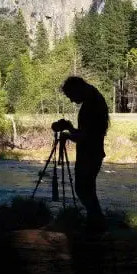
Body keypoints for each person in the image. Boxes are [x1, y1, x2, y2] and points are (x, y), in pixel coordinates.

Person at [53, 76, 109, 232]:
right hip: (92, 153)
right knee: (86, 190)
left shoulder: (91, 105)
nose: (71, 100)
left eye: (71, 96)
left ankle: (97, 224)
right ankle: (95, 223)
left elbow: (85, 137)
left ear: (77, 89)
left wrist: (68, 135)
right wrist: (70, 128)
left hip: (90, 154)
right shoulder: (93, 99)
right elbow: (87, 133)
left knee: (84, 190)